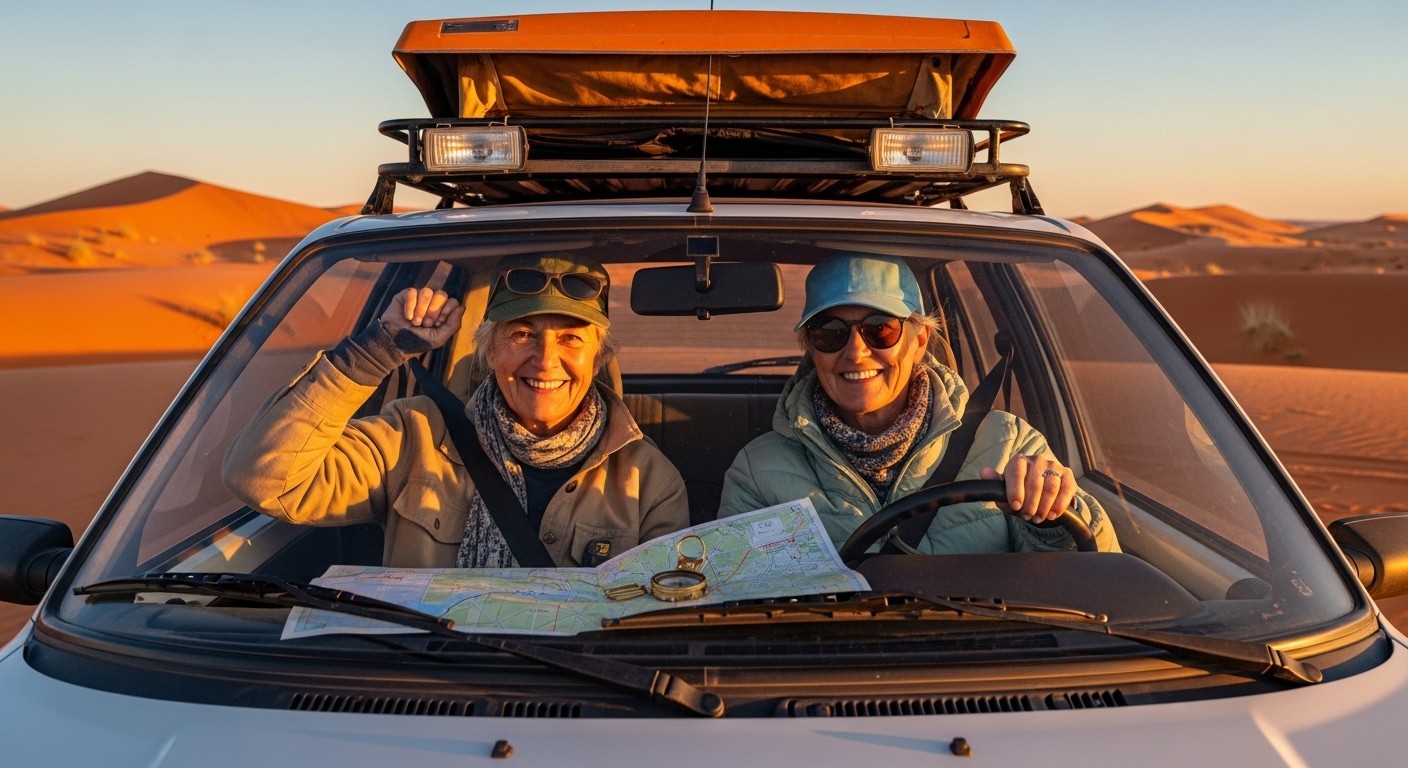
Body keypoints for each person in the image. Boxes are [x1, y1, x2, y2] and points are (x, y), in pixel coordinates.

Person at [223, 252, 690, 568]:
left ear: (598, 358)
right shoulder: (413, 436)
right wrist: (373, 353)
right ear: (489, 351)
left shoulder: (648, 480)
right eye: (521, 334)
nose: (546, 360)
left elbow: (655, 618)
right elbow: (264, 479)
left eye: (570, 338)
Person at [718, 253, 1119, 554]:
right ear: (811, 348)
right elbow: (738, 601)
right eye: (830, 333)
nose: (855, 352)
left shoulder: (1007, 442)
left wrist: (1050, 515)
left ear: (919, 342)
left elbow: (1091, 582)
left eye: (880, 329)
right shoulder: (757, 471)